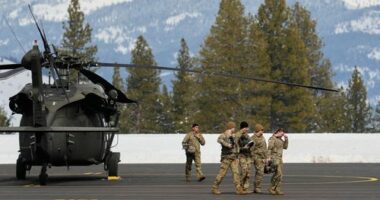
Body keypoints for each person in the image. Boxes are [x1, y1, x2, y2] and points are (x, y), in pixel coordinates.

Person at [211, 122, 246, 195]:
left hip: (234, 157)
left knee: (236, 173)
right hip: (226, 158)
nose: (234, 129)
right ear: (231, 127)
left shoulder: (234, 135)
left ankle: (238, 189)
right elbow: (219, 140)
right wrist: (227, 145)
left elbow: (238, 139)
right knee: (222, 174)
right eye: (233, 127)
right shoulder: (223, 135)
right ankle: (214, 187)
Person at [267, 128, 288, 195]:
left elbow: (285, 147)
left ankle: (277, 189)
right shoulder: (272, 139)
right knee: (278, 173)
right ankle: (271, 188)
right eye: (281, 132)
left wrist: (286, 139)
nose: (282, 134)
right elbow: (269, 148)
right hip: (274, 158)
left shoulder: (280, 139)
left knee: (280, 175)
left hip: (280, 158)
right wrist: (268, 157)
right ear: (278, 132)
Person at [236, 121, 253, 193]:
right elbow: (235, 145)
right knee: (244, 171)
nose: (247, 129)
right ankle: (239, 187)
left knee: (248, 172)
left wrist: (250, 145)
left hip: (248, 155)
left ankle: (245, 188)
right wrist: (243, 148)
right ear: (243, 128)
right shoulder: (237, 135)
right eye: (246, 128)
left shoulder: (247, 135)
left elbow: (250, 142)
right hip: (241, 155)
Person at [250, 123, 268, 193]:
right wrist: (254, 158)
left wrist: (266, 157)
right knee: (260, 171)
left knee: (260, 173)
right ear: (258, 130)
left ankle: (257, 187)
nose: (262, 131)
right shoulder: (253, 138)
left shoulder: (262, 137)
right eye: (261, 130)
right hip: (256, 157)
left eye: (263, 130)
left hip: (263, 157)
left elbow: (265, 148)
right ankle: (257, 187)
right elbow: (251, 150)